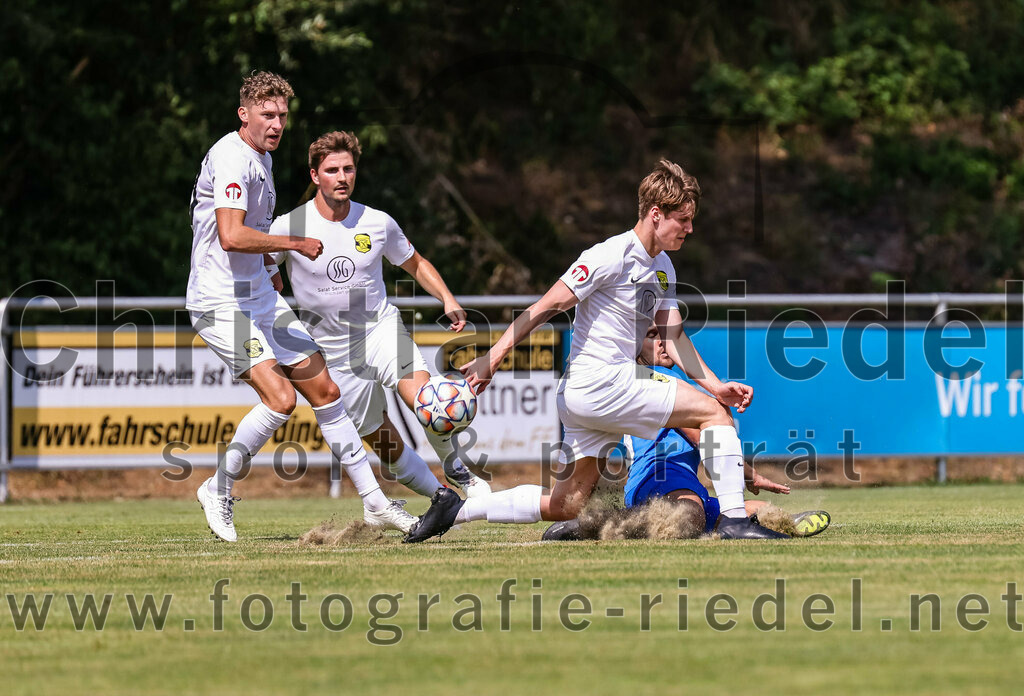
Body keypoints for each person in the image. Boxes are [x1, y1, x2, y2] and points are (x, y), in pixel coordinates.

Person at [412, 159, 782, 542]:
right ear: (656, 214)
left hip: (585, 395)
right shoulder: (610, 255)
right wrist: (495, 355)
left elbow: (673, 336)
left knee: (565, 505)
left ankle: (456, 509)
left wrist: (716, 383)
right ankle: (736, 522)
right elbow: (546, 306)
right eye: (683, 219)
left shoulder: (663, 267)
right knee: (714, 414)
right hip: (603, 380)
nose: (690, 228)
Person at [186, 73, 459, 542]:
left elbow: (254, 245)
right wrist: (294, 242)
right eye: (267, 115)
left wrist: (272, 278)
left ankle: (375, 503)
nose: (276, 124)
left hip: (259, 297)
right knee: (282, 399)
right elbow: (231, 236)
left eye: (282, 116)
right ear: (243, 114)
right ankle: (218, 486)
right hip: (219, 300)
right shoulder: (233, 157)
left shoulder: (261, 158)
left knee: (326, 392)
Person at [267, 130, 491, 519]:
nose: (342, 177)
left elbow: (415, 262)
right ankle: (441, 500)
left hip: (380, 330)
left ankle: (458, 471)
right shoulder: (288, 227)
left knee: (426, 400)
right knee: (384, 442)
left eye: (348, 169)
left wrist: (448, 298)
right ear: (315, 175)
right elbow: (261, 270)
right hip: (332, 352)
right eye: (332, 169)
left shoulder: (377, 222)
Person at [541, 326, 832, 541]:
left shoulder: (678, 380)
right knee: (690, 515)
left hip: (685, 482)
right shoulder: (639, 382)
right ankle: (603, 524)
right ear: (632, 345)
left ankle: (780, 523)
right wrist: (748, 473)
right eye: (652, 336)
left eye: (665, 335)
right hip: (656, 475)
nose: (663, 343)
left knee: (753, 508)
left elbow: (711, 436)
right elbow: (696, 432)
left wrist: (742, 470)